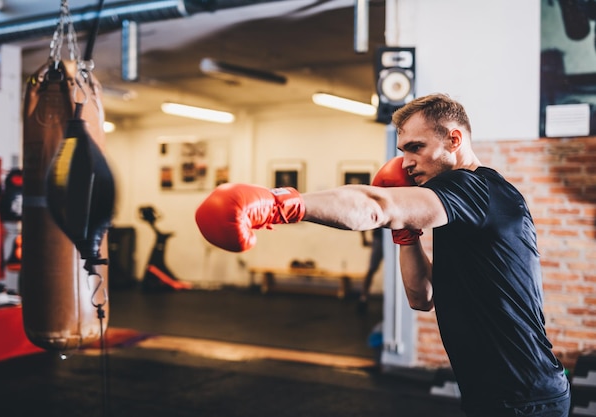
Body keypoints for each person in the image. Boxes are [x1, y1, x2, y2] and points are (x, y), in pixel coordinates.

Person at [195, 93, 571, 417]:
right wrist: (406, 233)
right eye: (402, 150)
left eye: (416, 148)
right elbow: (421, 297)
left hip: (526, 398)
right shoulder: (459, 212)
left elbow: (373, 207)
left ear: (454, 139)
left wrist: (281, 205)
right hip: (496, 392)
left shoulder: (476, 189)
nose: (406, 162)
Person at [357, 228, 383, 313]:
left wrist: (363, 238)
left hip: (391, 240)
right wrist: (363, 238)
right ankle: (363, 298)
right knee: (371, 269)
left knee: (371, 270)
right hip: (379, 239)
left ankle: (363, 298)